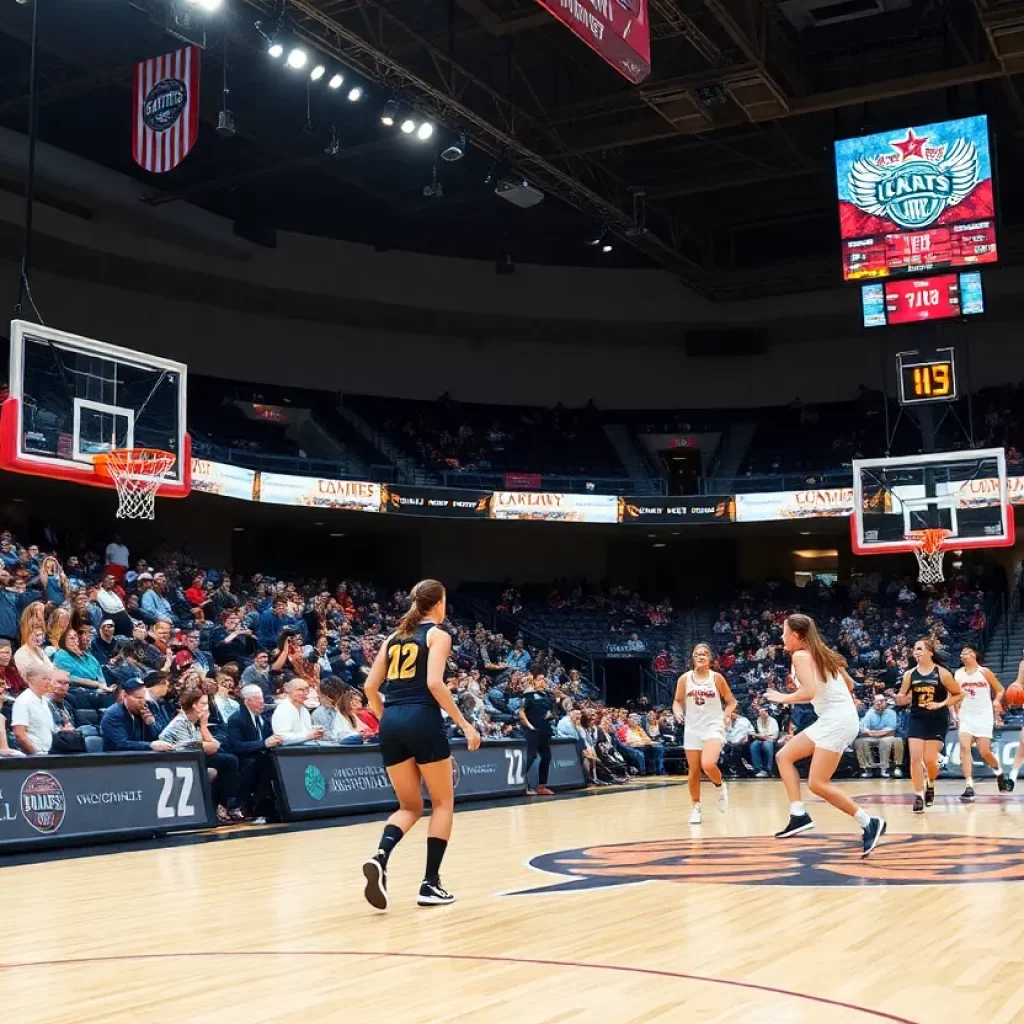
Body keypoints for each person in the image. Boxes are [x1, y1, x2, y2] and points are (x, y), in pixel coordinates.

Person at [361, 580, 481, 912]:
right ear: (439, 603)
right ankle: (430, 883)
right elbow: (433, 683)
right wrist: (465, 724)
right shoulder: (438, 635)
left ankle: (380, 856)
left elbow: (370, 687)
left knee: (409, 806)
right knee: (442, 804)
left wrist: (389, 719)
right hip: (422, 717)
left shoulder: (392, 638)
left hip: (391, 721)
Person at [765, 613, 886, 857]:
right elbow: (850, 686)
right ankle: (798, 814)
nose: (782, 636)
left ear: (797, 636)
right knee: (784, 756)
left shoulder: (800, 655)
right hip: (838, 717)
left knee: (817, 784)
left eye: (785, 632)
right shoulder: (823, 654)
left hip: (837, 720)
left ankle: (868, 822)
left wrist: (784, 697)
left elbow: (809, 691)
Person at [896, 638, 961, 813]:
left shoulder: (942, 673)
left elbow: (958, 694)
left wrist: (941, 704)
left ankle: (930, 784)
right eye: (914, 649)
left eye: (919, 648)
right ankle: (918, 795)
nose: (916, 652)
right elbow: (901, 697)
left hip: (937, 718)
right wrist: (901, 699)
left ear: (930, 652)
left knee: (930, 759)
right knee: (915, 758)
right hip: (917, 718)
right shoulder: (909, 675)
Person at [160, 686, 243, 823]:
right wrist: (208, 744)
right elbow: (195, 747)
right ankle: (223, 805)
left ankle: (227, 804)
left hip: (192, 757)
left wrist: (204, 725)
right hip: (173, 761)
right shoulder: (180, 722)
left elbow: (214, 745)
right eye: (203, 704)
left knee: (229, 760)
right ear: (194, 706)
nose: (206, 708)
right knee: (225, 762)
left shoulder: (195, 723)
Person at [673, 643, 735, 825]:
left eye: (704, 654)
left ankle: (720, 786)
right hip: (692, 727)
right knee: (693, 771)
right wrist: (677, 711)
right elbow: (677, 701)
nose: (700, 656)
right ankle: (696, 807)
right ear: (693, 658)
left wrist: (727, 714)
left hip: (713, 726)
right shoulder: (685, 679)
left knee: (707, 764)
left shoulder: (717, 678)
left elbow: (731, 702)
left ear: (710, 659)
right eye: (697, 654)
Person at [954, 645, 1006, 801]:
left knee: (985, 752)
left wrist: (996, 701)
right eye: (961, 653)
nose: (963, 655)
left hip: (983, 715)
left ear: (974, 654)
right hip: (966, 715)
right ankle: (969, 786)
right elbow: (955, 694)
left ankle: (999, 772)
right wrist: (955, 713)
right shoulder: (958, 674)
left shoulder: (985, 672)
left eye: (966, 652)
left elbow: (1000, 689)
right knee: (964, 747)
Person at [225, 684, 283, 822]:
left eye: (262, 698)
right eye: (258, 699)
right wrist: (264, 744)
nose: (262, 702)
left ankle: (272, 804)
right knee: (258, 763)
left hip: (260, 756)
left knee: (271, 760)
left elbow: (268, 737)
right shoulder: (236, 719)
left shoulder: (261, 717)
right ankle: (249, 805)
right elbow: (236, 746)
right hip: (243, 758)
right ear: (247, 701)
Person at [100, 679, 174, 752]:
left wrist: (152, 724)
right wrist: (150, 746)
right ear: (124, 695)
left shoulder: (147, 707)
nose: (143, 702)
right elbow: (121, 744)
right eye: (138, 698)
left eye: (144, 698)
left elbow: (157, 735)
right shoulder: (113, 715)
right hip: (116, 761)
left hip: (144, 758)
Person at [518, 671, 556, 797]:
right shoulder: (528, 695)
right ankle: (522, 786)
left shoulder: (546, 696)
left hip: (545, 730)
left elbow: (553, 711)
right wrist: (529, 725)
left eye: (543, 679)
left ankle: (542, 786)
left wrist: (552, 714)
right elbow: (521, 712)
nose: (542, 682)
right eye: (539, 679)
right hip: (533, 730)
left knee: (546, 757)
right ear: (533, 681)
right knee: (531, 757)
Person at [11, 667, 57, 755]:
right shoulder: (23, 701)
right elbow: (20, 734)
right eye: (44, 679)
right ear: (31, 681)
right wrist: (34, 755)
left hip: (50, 751)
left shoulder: (45, 700)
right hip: (37, 754)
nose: (48, 682)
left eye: (49, 679)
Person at [855, 695, 903, 779]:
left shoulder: (892, 713)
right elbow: (863, 726)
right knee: (859, 742)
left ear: (885, 702)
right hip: (873, 736)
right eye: (877, 701)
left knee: (888, 741)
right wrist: (869, 732)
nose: (879, 703)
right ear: (874, 703)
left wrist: (874, 733)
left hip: (887, 736)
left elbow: (891, 728)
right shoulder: (870, 712)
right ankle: (867, 768)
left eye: (882, 701)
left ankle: (886, 768)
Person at [270, 679, 324, 744]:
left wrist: (316, 734)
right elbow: (281, 738)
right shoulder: (283, 709)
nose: (305, 693)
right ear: (289, 691)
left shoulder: (304, 710)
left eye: (307, 689)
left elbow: (307, 733)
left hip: (306, 749)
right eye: (300, 690)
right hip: (287, 751)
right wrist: (308, 735)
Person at [750, 706, 780, 777]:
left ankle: (768, 769)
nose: (761, 715)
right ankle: (757, 768)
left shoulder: (773, 721)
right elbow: (760, 733)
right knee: (753, 745)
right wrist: (759, 736)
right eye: (760, 714)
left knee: (767, 745)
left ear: (766, 712)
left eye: (763, 713)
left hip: (771, 739)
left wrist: (767, 737)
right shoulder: (758, 720)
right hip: (762, 738)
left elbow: (775, 736)